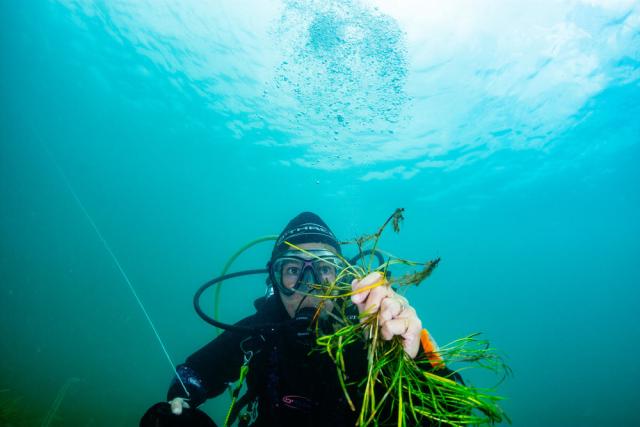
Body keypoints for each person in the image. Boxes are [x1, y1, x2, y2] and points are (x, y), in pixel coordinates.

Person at [141, 212, 456, 427]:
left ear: (344, 279)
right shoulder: (260, 330)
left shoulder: (373, 333)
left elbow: (456, 412)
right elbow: (193, 374)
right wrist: (179, 404)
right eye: (293, 270)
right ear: (275, 280)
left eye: (323, 268)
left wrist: (416, 362)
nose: (309, 286)